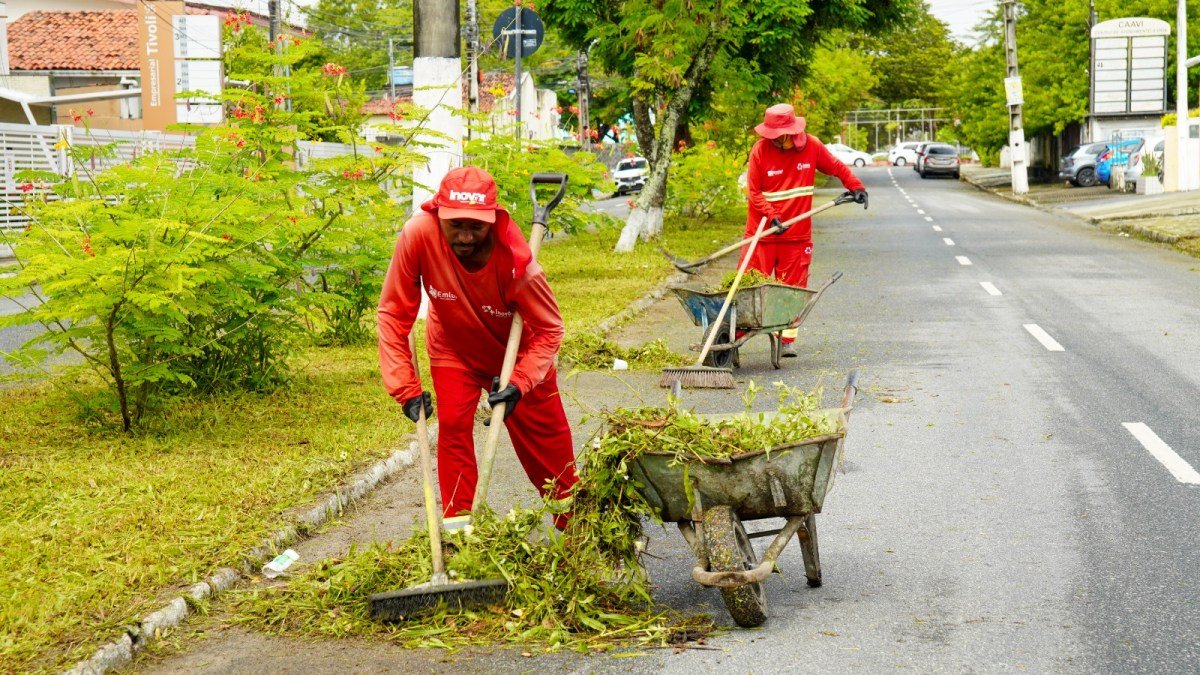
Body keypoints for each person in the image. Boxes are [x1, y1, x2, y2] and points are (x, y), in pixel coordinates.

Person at [377, 166, 577, 526]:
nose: (466, 237)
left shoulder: (518, 263)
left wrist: (520, 381)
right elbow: (393, 313)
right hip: (454, 347)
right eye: (456, 225)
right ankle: (461, 536)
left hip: (518, 355)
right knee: (452, 428)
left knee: (550, 453)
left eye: (476, 226)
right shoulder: (418, 235)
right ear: (437, 213)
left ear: (493, 219)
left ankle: (576, 528)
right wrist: (404, 387)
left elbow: (550, 329)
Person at [743, 103, 868, 356]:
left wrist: (856, 186)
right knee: (749, 287)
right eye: (770, 136)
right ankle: (735, 335)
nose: (774, 141)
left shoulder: (811, 146)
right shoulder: (760, 150)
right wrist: (772, 215)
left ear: (791, 131)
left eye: (778, 136)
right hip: (763, 233)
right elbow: (753, 192)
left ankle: (786, 339)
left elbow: (835, 166)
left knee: (793, 288)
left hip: (796, 236)